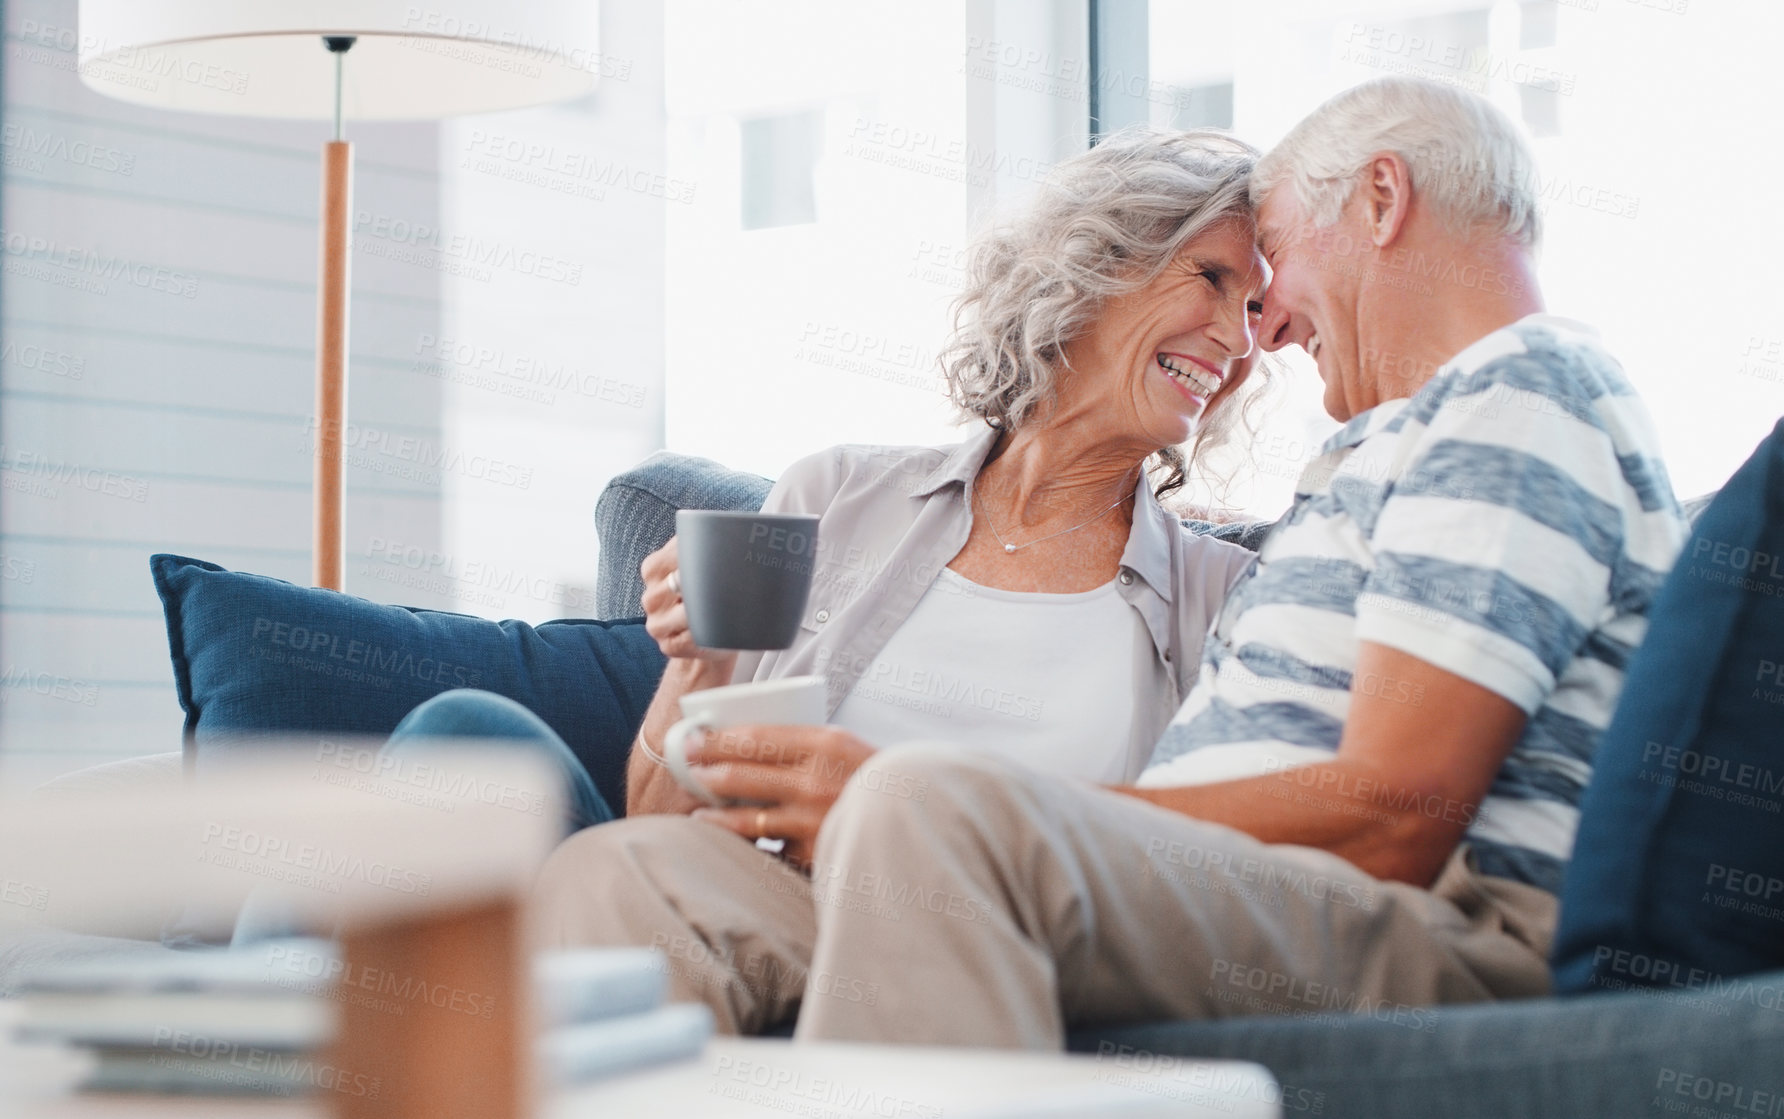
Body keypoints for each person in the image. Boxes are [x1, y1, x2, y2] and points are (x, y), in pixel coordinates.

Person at [530, 76, 1691, 1046]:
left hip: (1386, 922)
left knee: (923, 803)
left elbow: (1394, 809)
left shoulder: (1512, 395)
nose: (1264, 331)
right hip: (1164, 895)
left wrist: (989, 813)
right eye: (1225, 280)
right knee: (623, 873)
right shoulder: (1397, 449)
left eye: (1270, 265)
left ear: (1380, 198)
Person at [389, 128, 1270, 860]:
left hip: (970, 941)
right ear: (1094, 266)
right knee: (463, 731)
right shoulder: (836, 496)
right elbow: (656, 830)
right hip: (742, 904)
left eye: (1260, 313)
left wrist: (889, 812)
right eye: (1212, 278)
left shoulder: (1219, 599)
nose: (1236, 340)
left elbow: (1188, 874)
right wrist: (702, 662)